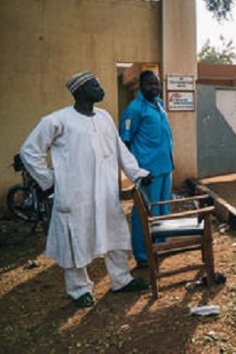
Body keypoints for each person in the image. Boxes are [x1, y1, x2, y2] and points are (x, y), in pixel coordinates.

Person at [20, 71, 152, 308]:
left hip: (106, 191)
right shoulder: (56, 120)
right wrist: (49, 179)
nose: (101, 89)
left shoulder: (104, 117)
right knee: (76, 239)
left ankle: (121, 279)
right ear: (80, 91)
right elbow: (29, 151)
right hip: (75, 195)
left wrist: (138, 173)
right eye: (95, 85)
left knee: (116, 233)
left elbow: (119, 147)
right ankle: (79, 290)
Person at [119, 70, 174, 269]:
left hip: (165, 168)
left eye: (156, 84)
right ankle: (143, 255)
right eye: (150, 84)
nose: (154, 88)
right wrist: (136, 171)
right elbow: (124, 142)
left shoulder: (159, 105)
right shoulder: (134, 109)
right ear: (141, 86)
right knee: (143, 212)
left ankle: (160, 247)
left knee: (162, 209)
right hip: (147, 172)